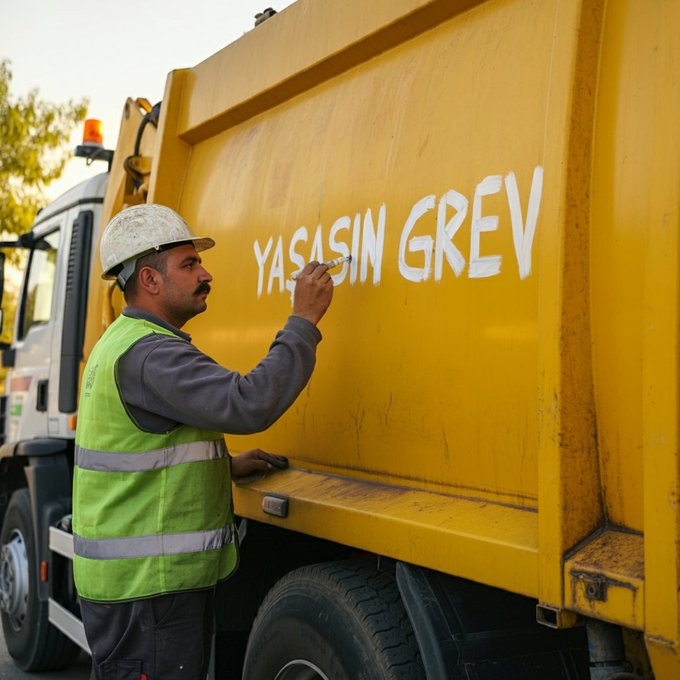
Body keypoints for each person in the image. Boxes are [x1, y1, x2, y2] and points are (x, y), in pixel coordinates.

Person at [72, 204, 334, 680]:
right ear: (150, 280)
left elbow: (142, 446)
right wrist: (304, 319)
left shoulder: (124, 341)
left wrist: (223, 464)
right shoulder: (151, 354)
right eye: (189, 265)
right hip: (151, 593)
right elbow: (247, 403)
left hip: (136, 591)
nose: (205, 273)